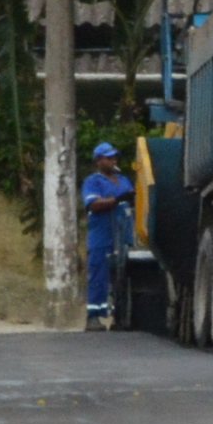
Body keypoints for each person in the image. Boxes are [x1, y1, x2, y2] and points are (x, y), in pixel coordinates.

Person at [78, 140, 135, 329]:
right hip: (102, 236)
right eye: (108, 158)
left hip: (122, 236)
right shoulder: (93, 181)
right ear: (99, 160)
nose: (113, 160)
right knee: (99, 277)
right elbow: (92, 204)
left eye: (114, 157)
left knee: (123, 277)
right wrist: (117, 199)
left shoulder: (124, 180)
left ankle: (120, 317)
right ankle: (93, 317)